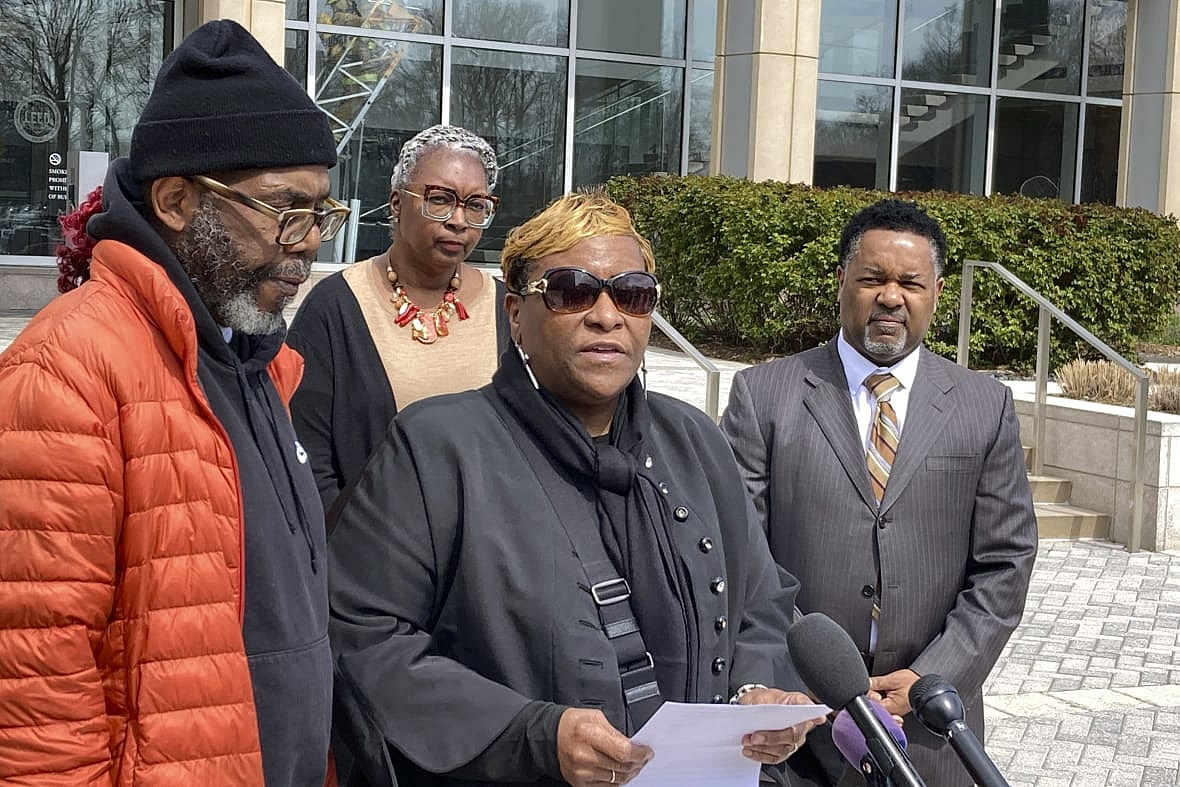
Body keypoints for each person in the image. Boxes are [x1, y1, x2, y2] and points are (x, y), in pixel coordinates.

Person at [327, 192, 823, 787]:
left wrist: (757, 691)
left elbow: (762, 602)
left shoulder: (693, 440)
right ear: (515, 314)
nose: (606, 315)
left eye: (633, 294)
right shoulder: (438, 447)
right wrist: (533, 734)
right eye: (572, 290)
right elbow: (365, 638)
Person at [0, 20, 345, 784]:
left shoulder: (261, 363)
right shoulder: (67, 373)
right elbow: (33, 699)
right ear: (178, 199)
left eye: (323, 212)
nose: (310, 241)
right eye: (286, 209)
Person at [720, 198, 1039, 787]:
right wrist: (802, 675)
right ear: (842, 279)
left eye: (910, 283)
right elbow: (738, 557)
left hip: (929, 728)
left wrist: (935, 675)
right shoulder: (763, 395)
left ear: (937, 291)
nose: (891, 297)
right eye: (873, 279)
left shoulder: (983, 404)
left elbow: (1005, 562)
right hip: (798, 725)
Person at [287, 124, 509, 514]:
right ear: (395, 203)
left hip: (492, 552)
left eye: (475, 205)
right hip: (370, 554)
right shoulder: (336, 307)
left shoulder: (508, 308)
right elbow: (308, 460)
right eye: (440, 200)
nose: (458, 220)